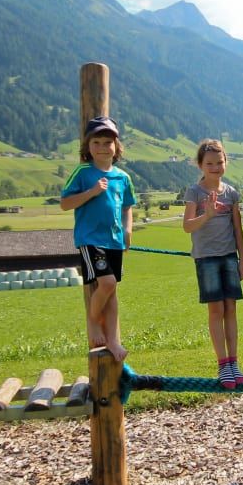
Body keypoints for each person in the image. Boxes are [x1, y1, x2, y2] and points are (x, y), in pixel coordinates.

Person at [60, 116, 137, 363]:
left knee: (111, 290)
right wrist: (92, 192)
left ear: (116, 146)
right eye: (97, 142)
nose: (103, 147)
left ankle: (113, 340)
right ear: (88, 146)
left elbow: (127, 207)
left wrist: (128, 230)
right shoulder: (83, 172)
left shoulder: (122, 177)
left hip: (114, 239)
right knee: (107, 283)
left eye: (108, 142)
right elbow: (65, 203)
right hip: (90, 239)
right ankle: (93, 322)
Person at [182, 139, 243, 389]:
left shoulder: (231, 193)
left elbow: (238, 229)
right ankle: (222, 364)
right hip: (206, 258)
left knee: (231, 309)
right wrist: (207, 214)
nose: (215, 167)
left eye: (219, 162)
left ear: (226, 163)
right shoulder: (194, 192)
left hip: (229, 256)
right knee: (216, 311)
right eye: (209, 163)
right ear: (200, 165)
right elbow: (187, 226)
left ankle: (234, 363)